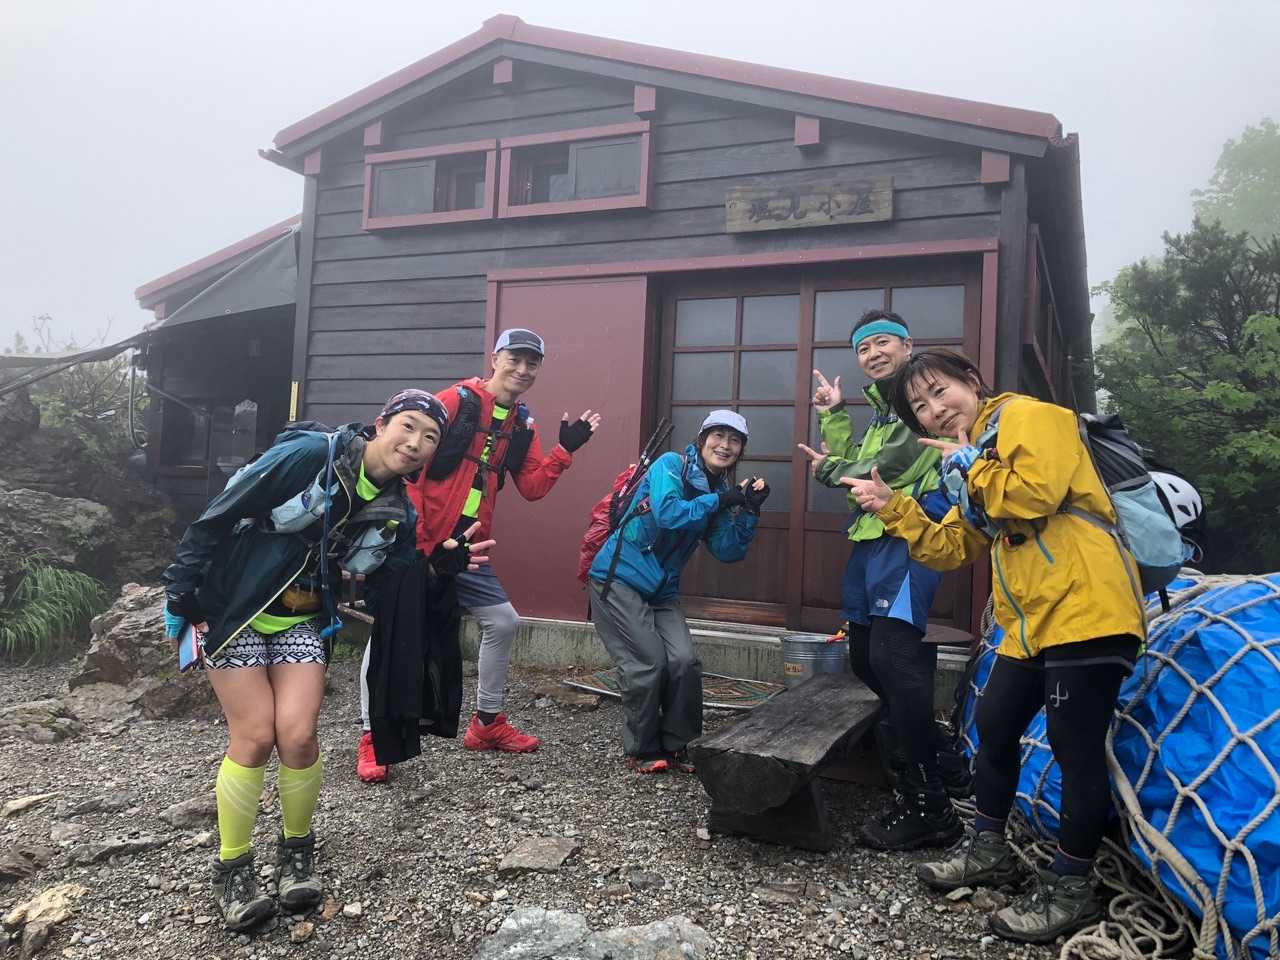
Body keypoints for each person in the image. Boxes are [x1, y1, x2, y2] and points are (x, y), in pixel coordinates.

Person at [841, 348, 1145, 945]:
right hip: (1030, 623)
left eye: (939, 391)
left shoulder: (1032, 417)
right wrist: (896, 509)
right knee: (995, 728)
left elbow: (1034, 494)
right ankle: (989, 851)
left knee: (1074, 748)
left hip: (1090, 608)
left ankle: (1071, 887)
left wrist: (971, 465)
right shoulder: (968, 458)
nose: (933, 410)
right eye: (919, 406)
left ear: (972, 382)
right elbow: (953, 547)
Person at [162, 389, 480, 932]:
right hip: (234, 608)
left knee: (299, 735)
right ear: (381, 423)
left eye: (430, 437)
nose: (416, 442)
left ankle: (296, 853)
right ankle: (233, 868)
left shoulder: (397, 510)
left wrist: (439, 569)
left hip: (302, 618)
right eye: (408, 426)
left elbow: (392, 585)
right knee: (255, 735)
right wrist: (180, 592)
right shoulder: (313, 455)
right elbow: (219, 513)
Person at [355, 328, 601, 781]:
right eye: (514, 359)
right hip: (418, 540)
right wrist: (414, 535)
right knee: (391, 627)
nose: (522, 369)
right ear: (495, 358)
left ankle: (486, 723)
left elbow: (533, 487)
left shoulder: (521, 423)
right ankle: (372, 735)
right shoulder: (455, 401)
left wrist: (565, 450)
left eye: (531, 363)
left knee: (502, 620)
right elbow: (409, 462)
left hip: (466, 546)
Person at [795, 309, 961, 851]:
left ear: (908, 346)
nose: (873, 354)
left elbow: (875, 473)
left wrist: (829, 470)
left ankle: (929, 804)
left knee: (895, 658)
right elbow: (858, 466)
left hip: (910, 535)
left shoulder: (917, 407)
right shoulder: (882, 414)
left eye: (883, 342)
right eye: (863, 348)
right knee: (866, 657)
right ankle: (942, 758)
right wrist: (835, 415)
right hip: (871, 537)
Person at [587, 410, 766, 774]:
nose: (725, 445)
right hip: (618, 578)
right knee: (649, 661)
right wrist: (721, 501)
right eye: (718, 436)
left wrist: (748, 510)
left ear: (741, 450)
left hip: (662, 588)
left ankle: (678, 744)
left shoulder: (720, 491)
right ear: (702, 440)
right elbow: (668, 513)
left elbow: (728, 551)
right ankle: (643, 747)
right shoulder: (670, 465)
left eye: (735, 440)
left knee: (684, 661)